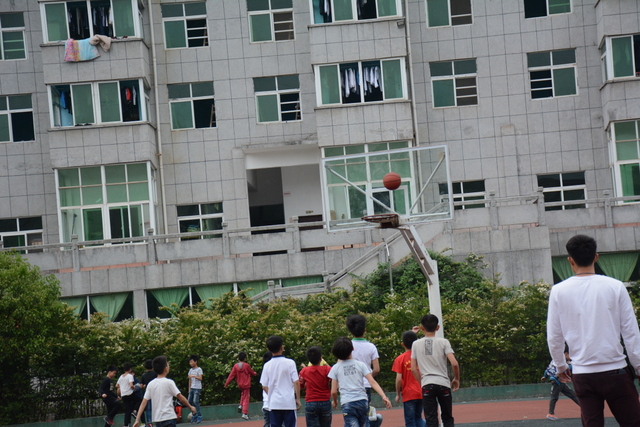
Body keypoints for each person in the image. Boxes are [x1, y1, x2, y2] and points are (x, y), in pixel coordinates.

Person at [547, 234, 640, 426]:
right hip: (616, 372)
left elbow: (554, 336)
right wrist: (638, 367)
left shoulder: (558, 291)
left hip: (583, 375)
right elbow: (631, 332)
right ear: (596, 257)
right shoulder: (616, 286)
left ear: (570, 260)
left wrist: (561, 366)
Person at [329, 336, 392, 427]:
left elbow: (334, 391)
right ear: (352, 349)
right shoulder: (360, 365)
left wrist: (335, 401)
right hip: (362, 401)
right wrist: (384, 396)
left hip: (347, 403)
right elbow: (372, 382)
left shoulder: (335, 368)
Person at [411, 314, 460, 427]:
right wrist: (456, 378)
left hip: (427, 384)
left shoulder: (415, 344)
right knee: (447, 417)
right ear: (437, 327)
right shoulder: (444, 342)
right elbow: (454, 363)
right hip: (443, 383)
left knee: (431, 419)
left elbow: (413, 369)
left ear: (422, 327)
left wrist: (422, 382)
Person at [133, 355, 196, 427]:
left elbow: (143, 402)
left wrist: (137, 419)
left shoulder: (151, 384)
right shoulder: (169, 382)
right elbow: (180, 397)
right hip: (169, 417)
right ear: (166, 368)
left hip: (158, 420)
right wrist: (190, 407)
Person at [346, 314, 382, 427]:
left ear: (351, 331)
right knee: (365, 418)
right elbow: (376, 369)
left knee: (350, 418)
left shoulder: (347, 346)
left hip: (350, 386)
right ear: (364, 330)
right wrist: (368, 376)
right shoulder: (371, 347)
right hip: (366, 385)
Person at [260, 335, 301, 427]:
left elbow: (264, 385)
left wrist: (271, 394)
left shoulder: (267, 365)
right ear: (282, 347)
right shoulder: (290, 363)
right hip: (288, 402)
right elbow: (296, 382)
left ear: (269, 349)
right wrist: (297, 398)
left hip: (274, 403)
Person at [392, 331, 425, 427]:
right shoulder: (421, 357)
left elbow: (398, 379)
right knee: (418, 418)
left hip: (408, 394)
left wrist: (398, 394)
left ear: (403, 344)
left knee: (410, 421)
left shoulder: (400, 359)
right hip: (421, 391)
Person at [299, 346, 332, 427]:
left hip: (311, 401)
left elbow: (301, 385)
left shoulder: (304, 371)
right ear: (320, 359)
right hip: (325, 400)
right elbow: (334, 375)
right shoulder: (327, 369)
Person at [542, 349, 579, 421]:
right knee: (554, 397)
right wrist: (571, 364)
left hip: (560, 382)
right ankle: (550, 414)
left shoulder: (555, 360)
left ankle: (585, 409)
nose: (570, 357)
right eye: (570, 355)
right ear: (566, 353)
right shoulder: (562, 361)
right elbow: (569, 368)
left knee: (572, 395)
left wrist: (545, 376)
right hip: (556, 381)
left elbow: (548, 369)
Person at [225, 351, 257, 420]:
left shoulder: (235, 366)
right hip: (246, 384)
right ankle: (244, 413)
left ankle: (240, 405)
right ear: (245, 358)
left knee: (243, 394)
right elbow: (252, 372)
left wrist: (226, 383)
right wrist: (255, 373)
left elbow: (231, 376)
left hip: (240, 384)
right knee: (246, 398)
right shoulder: (246, 365)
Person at [117, 362, 143, 427]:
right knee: (140, 400)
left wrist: (123, 386)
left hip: (123, 395)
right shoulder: (130, 376)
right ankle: (135, 411)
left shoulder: (121, 376)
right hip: (130, 393)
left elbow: (117, 385)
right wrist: (134, 387)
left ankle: (126, 424)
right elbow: (131, 385)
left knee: (127, 409)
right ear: (130, 369)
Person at [140, 359, 157, 427]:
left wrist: (144, 386)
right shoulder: (155, 374)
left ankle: (149, 422)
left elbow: (141, 386)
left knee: (148, 408)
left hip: (148, 393)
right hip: (155, 392)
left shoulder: (144, 375)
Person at [187, 355, 203, 424]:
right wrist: (189, 388)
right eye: (190, 362)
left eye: (192, 361)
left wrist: (194, 376)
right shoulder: (190, 370)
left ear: (195, 362)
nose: (190, 363)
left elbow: (200, 378)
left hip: (197, 387)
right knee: (189, 401)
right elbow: (190, 380)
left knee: (195, 401)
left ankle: (199, 416)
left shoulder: (199, 369)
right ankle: (194, 414)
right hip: (192, 388)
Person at [261, 351, 273, 427]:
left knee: (267, 424)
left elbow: (264, 385)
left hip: (266, 404)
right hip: (275, 404)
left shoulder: (265, 370)